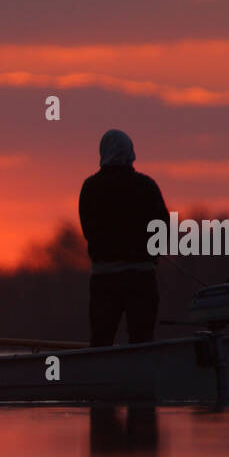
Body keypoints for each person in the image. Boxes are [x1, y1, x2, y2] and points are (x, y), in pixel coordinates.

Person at [78, 129, 170, 347]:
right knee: (142, 341)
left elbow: (87, 230)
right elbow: (162, 227)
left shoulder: (90, 187)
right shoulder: (146, 186)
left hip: (104, 278)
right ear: (130, 153)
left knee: (101, 341)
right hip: (140, 277)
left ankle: (101, 377)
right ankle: (141, 377)